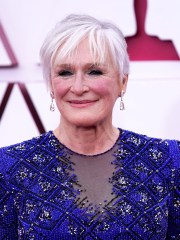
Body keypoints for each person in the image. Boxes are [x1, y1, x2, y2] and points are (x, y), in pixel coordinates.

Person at [0, 14, 179, 240]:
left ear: (123, 81)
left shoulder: (168, 161)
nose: (78, 86)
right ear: (51, 86)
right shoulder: (8, 168)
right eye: (65, 73)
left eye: (94, 71)